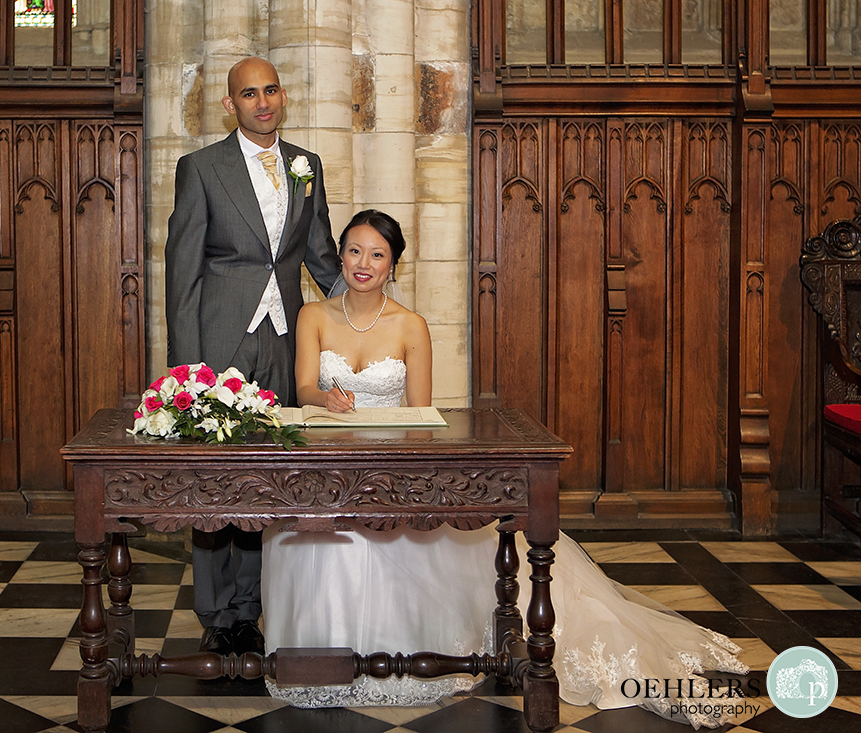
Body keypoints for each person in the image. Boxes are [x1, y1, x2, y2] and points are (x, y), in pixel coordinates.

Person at [261, 210, 749, 728]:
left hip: (392, 462)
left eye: (377, 254)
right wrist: (327, 402)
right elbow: (305, 389)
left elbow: (423, 415)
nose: (364, 263)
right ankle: (321, 656)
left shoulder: (411, 326)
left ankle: (404, 651)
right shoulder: (314, 315)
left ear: (393, 265)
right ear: (340, 256)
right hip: (333, 460)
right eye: (355, 251)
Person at [164, 57, 341, 658]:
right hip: (220, 341)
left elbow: (319, 254)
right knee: (216, 482)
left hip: (285, 340)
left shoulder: (306, 167)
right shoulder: (201, 168)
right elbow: (182, 274)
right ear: (230, 104)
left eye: (270, 90)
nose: (262, 102)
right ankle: (217, 615)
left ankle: (252, 607)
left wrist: (368, 313)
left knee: (269, 476)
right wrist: (185, 370)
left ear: (282, 96)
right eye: (248, 94)